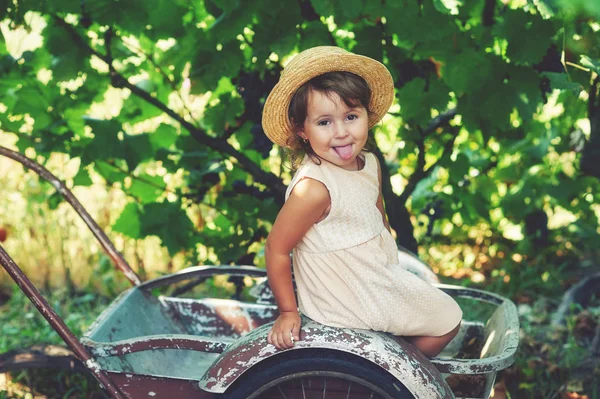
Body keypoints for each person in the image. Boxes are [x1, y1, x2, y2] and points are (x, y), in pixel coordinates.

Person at [261, 46, 462, 357]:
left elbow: (377, 215)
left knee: (438, 310)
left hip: (370, 275)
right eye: (324, 122)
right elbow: (277, 247)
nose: (341, 132)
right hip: (344, 297)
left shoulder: (368, 163)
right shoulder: (315, 189)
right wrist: (288, 312)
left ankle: (387, 369)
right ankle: (395, 376)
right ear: (302, 130)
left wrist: (389, 260)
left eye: (351, 116)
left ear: (368, 116)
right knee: (449, 319)